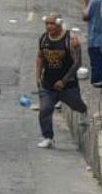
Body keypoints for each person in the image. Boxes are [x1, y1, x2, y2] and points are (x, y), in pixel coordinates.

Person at [35, 13, 87, 149]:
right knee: (45, 110)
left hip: (68, 85)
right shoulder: (43, 38)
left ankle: (84, 112)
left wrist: (63, 81)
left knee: (76, 104)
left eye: (52, 24)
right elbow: (40, 56)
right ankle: (47, 137)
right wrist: (38, 76)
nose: (49, 27)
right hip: (48, 84)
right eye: (47, 24)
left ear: (59, 24)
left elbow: (77, 63)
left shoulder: (70, 40)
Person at [83, 0, 102, 87]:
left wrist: (86, 2)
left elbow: (85, 16)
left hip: (95, 38)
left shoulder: (94, 1)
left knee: (96, 65)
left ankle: (96, 85)